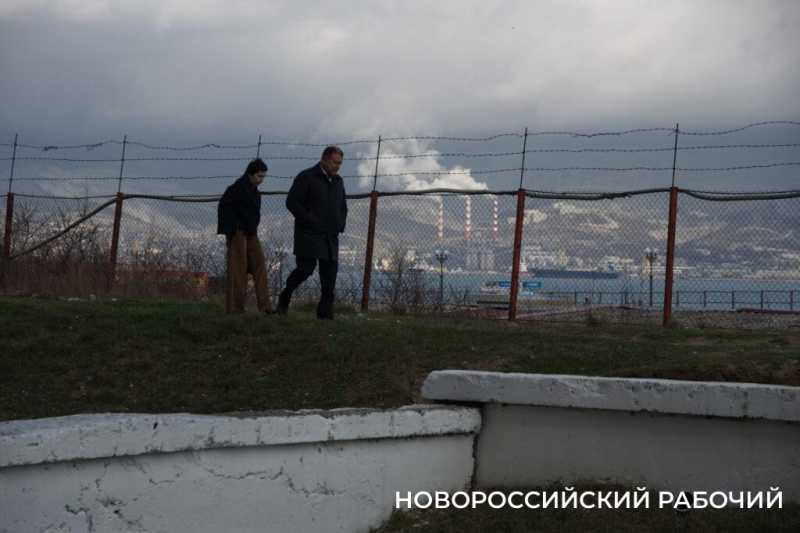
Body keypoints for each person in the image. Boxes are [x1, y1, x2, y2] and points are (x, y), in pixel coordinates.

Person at [278, 146, 347, 319]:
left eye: (340, 163)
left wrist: (340, 224)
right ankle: (285, 296)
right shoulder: (306, 177)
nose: (337, 166)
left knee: (329, 277)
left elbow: (343, 207)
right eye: (334, 162)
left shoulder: (338, 182)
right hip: (308, 236)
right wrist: (310, 221)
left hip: (330, 237)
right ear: (324, 159)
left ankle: (325, 315)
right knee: (305, 270)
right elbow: (292, 203)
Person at [217, 158, 272, 314]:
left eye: (263, 177)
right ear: (251, 174)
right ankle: (236, 308)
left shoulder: (253, 190)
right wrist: (233, 229)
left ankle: (265, 306)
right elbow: (224, 208)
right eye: (259, 176)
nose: (261, 180)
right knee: (238, 269)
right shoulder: (237, 189)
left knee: (259, 264)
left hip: (251, 232)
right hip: (238, 233)